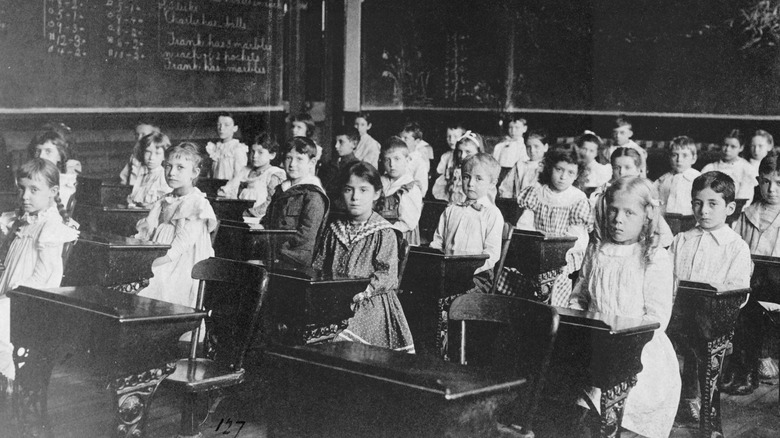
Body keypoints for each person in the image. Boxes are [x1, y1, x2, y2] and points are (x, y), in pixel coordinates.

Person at [570, 176, 680, 438]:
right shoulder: (597, 251)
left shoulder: (654, 256)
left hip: (638, 351)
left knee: (626, 414)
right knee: (578, 412)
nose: (618, 219)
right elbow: (579, 298)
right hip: (594, 344)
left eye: (629, 212)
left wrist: (620, 338)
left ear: (646, 216)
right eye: (613, 210)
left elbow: (657, 317)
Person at [668, 171, 752, 422]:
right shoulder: (681, 240)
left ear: (730, 208)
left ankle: (694, 397)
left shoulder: (736, 246)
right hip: (677, 317)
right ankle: (672, 397)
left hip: (714, 323)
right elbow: (667, 280)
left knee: (698, 341)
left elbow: (738, 293)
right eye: (697, 203)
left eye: (712, 204)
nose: (703, 210)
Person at [313, 162, 414, 352]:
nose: (355, 197)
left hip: (370, 301)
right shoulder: (334, 229)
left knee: (341, 338)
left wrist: (362, 293)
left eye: (363, 190)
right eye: (348, 190)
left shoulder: (383, 232)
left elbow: (387, 275)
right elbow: (318, 265)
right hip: (334, 297)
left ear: (376, 194)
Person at [0, 159, 79, 383]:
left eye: (34, 190)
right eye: (22, 188)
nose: (25, 196)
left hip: (32, 299)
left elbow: (45, 277)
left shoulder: (50, 227)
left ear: (53, 192)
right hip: (12, 292)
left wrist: (15, 294)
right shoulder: (23, 221)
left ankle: (8, 382)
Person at [430, 153, 503, 356]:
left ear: (492, 183)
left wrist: (465, 269)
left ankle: (457, 351)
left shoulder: (492, 214)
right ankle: (436, 350)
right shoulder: (451, 210)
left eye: (479, 179)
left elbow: (492, 253)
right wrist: (437, 261)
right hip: (447, 272)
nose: (470, 183)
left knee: (453, 298)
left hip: (476, 276)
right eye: (466, 176)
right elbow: (437, 242)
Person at [135, 143, 217, 309]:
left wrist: (147, 266)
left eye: (180, 168)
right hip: (160, 257)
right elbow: (147, 232)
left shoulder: (197, 204)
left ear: (194, 172)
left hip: (181, 267)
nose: (171, 173)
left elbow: (178, 248)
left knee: (148, 288)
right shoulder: (165, 200)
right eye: (168, 166)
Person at [728, 152, 780, 395]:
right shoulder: (749, 212)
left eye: (778, 183)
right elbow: (738, 247)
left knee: (755, 305)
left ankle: (752, 365)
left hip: (777, 281)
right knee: (744, 303)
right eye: (766, 181)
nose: (771, 189)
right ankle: (742, 368)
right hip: (753, 279)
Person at [511, 148, 590, 306]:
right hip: (536, 249)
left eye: (570, 173)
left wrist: (554, 251)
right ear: (550, 168)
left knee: (558, 277)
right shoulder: (537, 192)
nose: (563, 177)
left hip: (565, 254)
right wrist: (534, 247)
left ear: (577, 175)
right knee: (517, 272)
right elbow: (525, 226)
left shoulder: (576, 198)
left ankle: (552, 310)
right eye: (559, 169)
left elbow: (576, 237)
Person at [260, 137, 329, 268]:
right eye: (288, 158)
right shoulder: (282, 189)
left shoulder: (313, 195)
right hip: (274, 255)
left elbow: (306, 238)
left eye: (299, 159)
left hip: (296, 260)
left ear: (311, 162)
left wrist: (275, 253)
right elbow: (268, 221)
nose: (292, 164)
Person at [218, 133, 286, 220]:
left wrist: (249, 213)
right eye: (252, 151)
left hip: (260, 218)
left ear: (272, 155)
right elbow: (230, 187)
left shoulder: (274, 173)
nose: (254, 156)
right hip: (241, 215)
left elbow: (272, 202)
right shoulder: (245, 170)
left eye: (260, 152)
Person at [377, 137, 423, 245]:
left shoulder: (410, 189)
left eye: (397, 159)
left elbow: (408, 223)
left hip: (400, 237)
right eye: (387, 159)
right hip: (380, 233)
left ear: (407, 160)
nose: (392, 164)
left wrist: (383, 230)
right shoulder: (380, 182)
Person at [701, 129, 756, 204]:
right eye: (725, 145)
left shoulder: (747, 169)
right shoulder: (710, 168)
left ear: (741, 148)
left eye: (733, 147)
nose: (727, 149)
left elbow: (744, 198)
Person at [28, 129, 80, 208]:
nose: (41, 156)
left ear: (60, 155)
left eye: (48, 151)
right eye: (38, 151)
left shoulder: (66, 182)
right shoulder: (31, 177)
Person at [654, 136, 701, 215]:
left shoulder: (698, 179)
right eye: (674, 155)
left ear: (694, 159)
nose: (679, 160)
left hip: (689, 220)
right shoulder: (663, 179)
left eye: (685, 155)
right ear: (669, 157)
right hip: (665, 220)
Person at [498, 129, 548, 199]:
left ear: (545, 147)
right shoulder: (520, 165)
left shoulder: (548, 167)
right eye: (528, 147)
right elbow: (506, 187)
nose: (532, 150)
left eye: (536, 146)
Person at [126, 132, 172, 209]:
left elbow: (167, 203)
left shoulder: (163, 176)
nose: (151, 158)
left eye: (157, 153)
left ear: (164, 156)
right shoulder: (143, 175)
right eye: (148, 152)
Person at [320, 126, 361, 206]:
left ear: (354, 144)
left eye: (341, 142)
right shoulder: (330, 165)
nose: (336, 146)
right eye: (335, 142)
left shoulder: (357, 167)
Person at [443, 131, 484, 204]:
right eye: (460, 151)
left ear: (478, 153)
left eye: (468, 152)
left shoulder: (481, 173)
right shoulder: (457, 170)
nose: (462, 156)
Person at [205, 113, 248, 180]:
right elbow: (210, 174)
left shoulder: (237, 148)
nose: (221, 128)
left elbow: (239, 177)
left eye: (226, 125)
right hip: (214, 186)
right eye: (219, 125)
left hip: (229, 187)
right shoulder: (214, 148)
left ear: (235, 128)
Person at [432, 121, 466, 200]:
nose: (451, 140)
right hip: (448, 191)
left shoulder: (465, 156)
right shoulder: (446, 156)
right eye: (448, 136)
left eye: (455, 136)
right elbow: (439, 174)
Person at [492, 115, 529, 184]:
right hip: (500, 173)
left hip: (516, 175)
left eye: (517, 128)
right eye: (510, 127)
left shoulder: (524, 146)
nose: (513, 131)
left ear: (524, 129)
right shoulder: (501, 145)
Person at [399, 122, 431, 196]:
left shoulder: (419, 162)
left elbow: (422, 189)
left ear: (417, 142)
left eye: (405, 138)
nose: (401, 141)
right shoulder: (395, 158)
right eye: (400, 138)